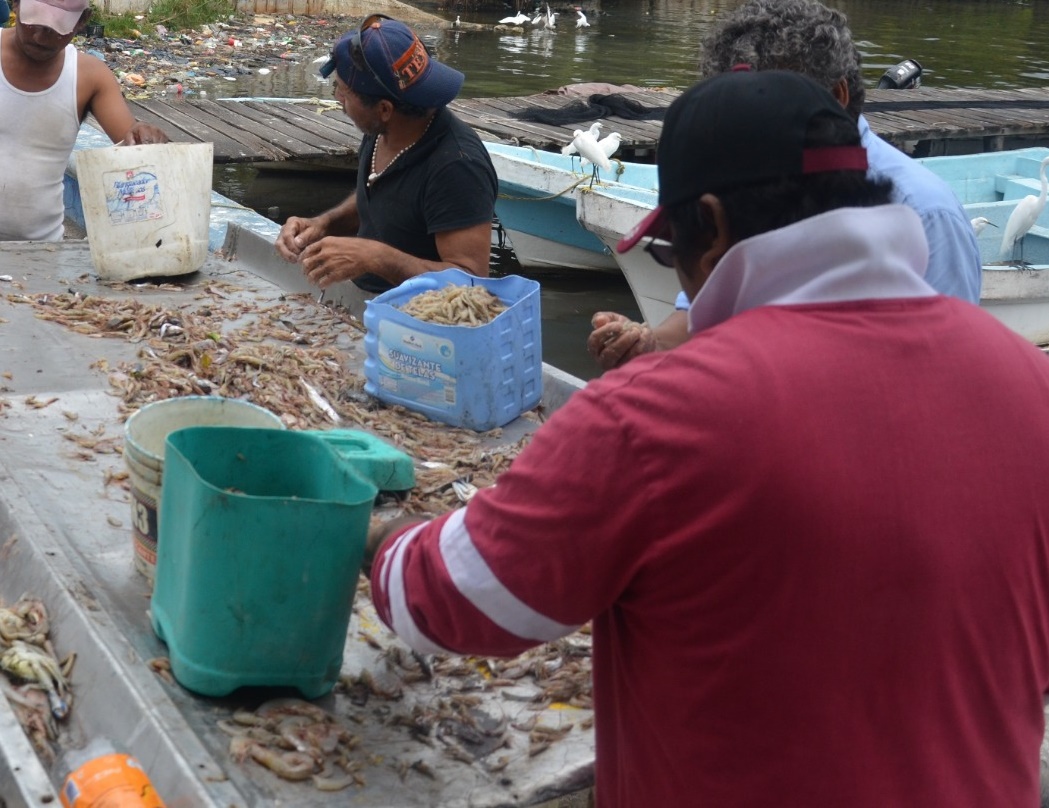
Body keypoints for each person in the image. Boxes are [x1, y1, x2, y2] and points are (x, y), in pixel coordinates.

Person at [365, 68, 1049, 807]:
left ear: (712, 227)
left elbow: (439, 601)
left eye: (668, 250)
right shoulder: (1027, 382)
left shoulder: (659, 415)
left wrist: (378, 535)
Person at [588, 0, 982, 371]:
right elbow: (700, 314)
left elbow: (945, 368)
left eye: (768, 99)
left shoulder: (926, 211)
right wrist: (650, 345)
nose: (742, 121)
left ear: (837, 96)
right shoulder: (741, 179)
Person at [274, 14, 498, 294]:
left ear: (384, 109)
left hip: (420, 327)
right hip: (368, 307)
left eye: (342, 90)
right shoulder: (383, 130)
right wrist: (324, 224)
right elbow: (382, 195)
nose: (337, 99)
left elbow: (472, 281)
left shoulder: (458, 167)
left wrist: (375, 257)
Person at [0, 0, 169, 242]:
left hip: (40, 251)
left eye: (56, 27)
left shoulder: (89, 76)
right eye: (34, 22)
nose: (39, 36)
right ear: (15, 5)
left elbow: (133, 144)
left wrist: (144, 135)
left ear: (82, 21)